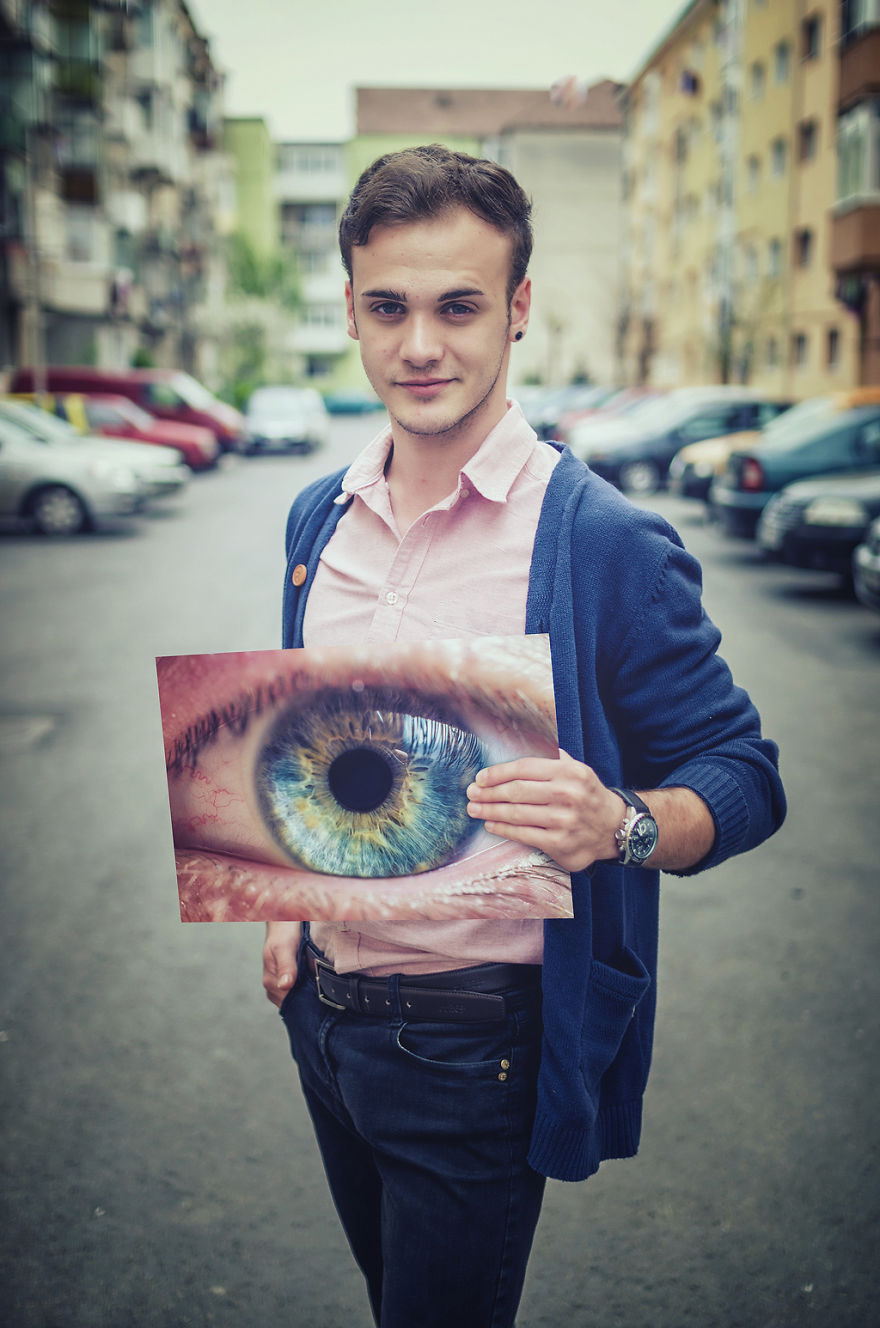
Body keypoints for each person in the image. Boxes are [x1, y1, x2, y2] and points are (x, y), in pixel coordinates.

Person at [262, 144, 786, 1328]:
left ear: (519, 309)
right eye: (387, 307)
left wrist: (629, 821)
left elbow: (744, 773)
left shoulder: (600, 540)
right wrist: (292, 905)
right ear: (348, 307)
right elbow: (313, 754)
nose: (420, 346)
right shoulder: (315, 519)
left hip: (472, 1046)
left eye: (459, 306)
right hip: (324, 1025)